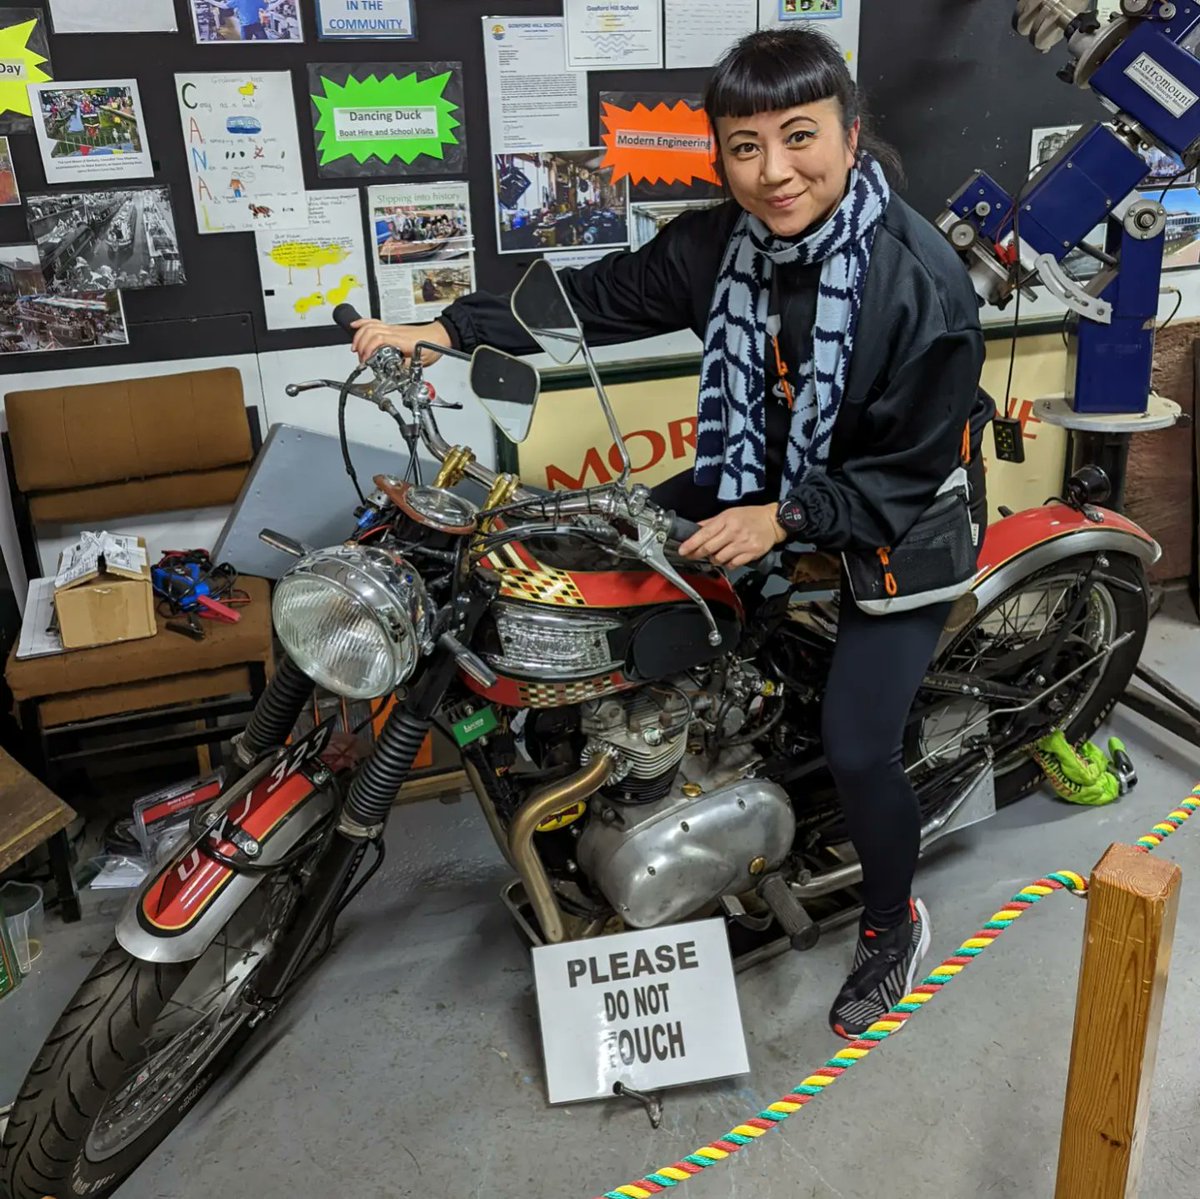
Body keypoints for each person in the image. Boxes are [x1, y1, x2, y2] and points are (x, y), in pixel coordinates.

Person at [350, 26, 991, 1040]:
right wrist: (447, 330)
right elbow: (595, 298)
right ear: (721, 155)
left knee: (859, 742)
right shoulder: (716, 247)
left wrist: (782, 516)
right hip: (763, 478)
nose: (774, 171)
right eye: (744, 146)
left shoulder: (921, 284)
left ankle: (888, 921)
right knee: (616, 539)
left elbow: (907, 465)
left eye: (799, 136)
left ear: (851, 132)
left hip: (892, 512)